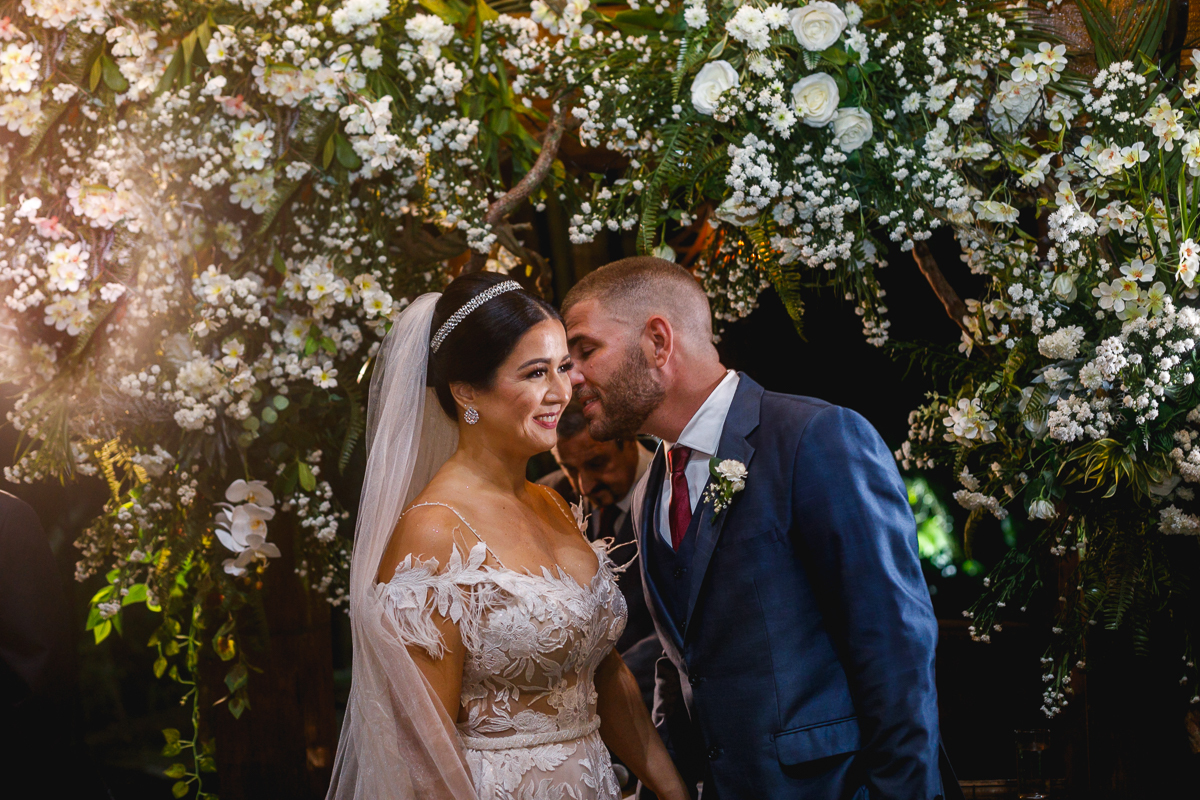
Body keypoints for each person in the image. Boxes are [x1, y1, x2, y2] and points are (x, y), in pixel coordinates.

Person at [562, 257, 960, 800]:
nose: (572, 376)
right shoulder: (653, 487)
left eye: (585, 351)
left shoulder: (815, 439)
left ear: (658, 341)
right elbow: (678, 664)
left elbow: (895, 648)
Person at [327, 272, 689, 800]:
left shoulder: (553, 503)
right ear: (467, 390)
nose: (561, 392)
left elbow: (603, 673)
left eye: (564, 367)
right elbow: (423, 756)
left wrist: (673, 791)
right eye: (535, 373)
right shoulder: (433, 532)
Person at [546, 404, 658, 711]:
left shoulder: (671, 494)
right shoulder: (548, 497)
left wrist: (602, 683)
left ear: (628, 439)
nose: (584, 485)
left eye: (597, 463)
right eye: (570, 469)